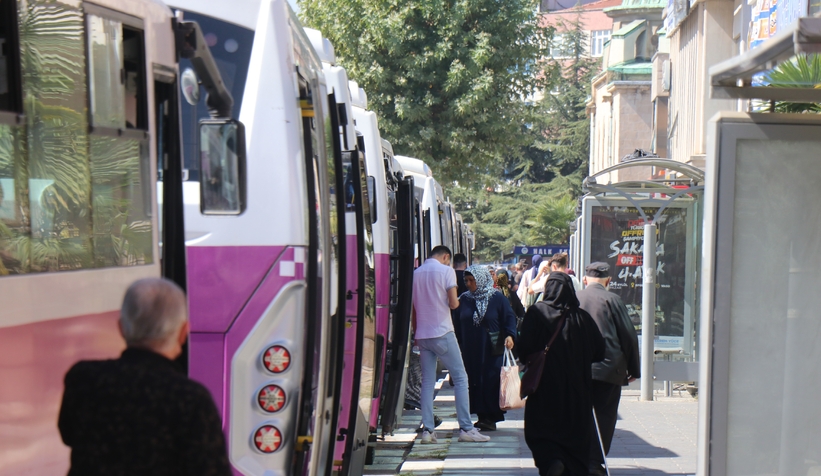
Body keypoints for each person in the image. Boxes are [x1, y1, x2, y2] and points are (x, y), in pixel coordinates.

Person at [58, 278, 231, 476]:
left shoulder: (83, 379)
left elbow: (69, 435)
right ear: (183, 333)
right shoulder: (191, 399)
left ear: (121, 328)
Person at [519, 273, 605, 476]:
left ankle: (551, 459)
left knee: (541, 428)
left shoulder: (536, 313)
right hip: (576, 390)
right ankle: (569, 463)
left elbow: (523, 348)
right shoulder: (582, 318)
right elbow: (600, 351)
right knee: (575, 431)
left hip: (544, 388)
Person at [412, 245, 490, 444]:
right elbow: (454, 303)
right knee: (461, 378)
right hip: (443, 332)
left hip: (423, 334)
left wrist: (415, 332)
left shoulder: (416, 273)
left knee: (428, 382)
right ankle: (466, 427)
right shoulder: (446, 271)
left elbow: (413, 308)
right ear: (446, 257)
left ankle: (428, 431)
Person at [576, 262, 641, 476]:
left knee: (578, 414)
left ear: (585, 279)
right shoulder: (613, 300)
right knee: (604, 415)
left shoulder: (574, 298)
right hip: (608, 369)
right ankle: (595, 462)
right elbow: (628, 336)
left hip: (577, 369)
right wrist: (633, 369)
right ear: (608, 281)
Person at [457, 265, 518, 431]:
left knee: (490, 381)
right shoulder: (464, 299)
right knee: (474, 380)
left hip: (492, 348)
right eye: (466, 280)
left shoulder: (497, 298)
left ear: (482, 279)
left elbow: (509, 318)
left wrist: (510, 335)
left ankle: (490, 417)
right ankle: (481, 415)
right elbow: (456, 323)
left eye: (472, 280)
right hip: (470, 349)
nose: (469, 284)